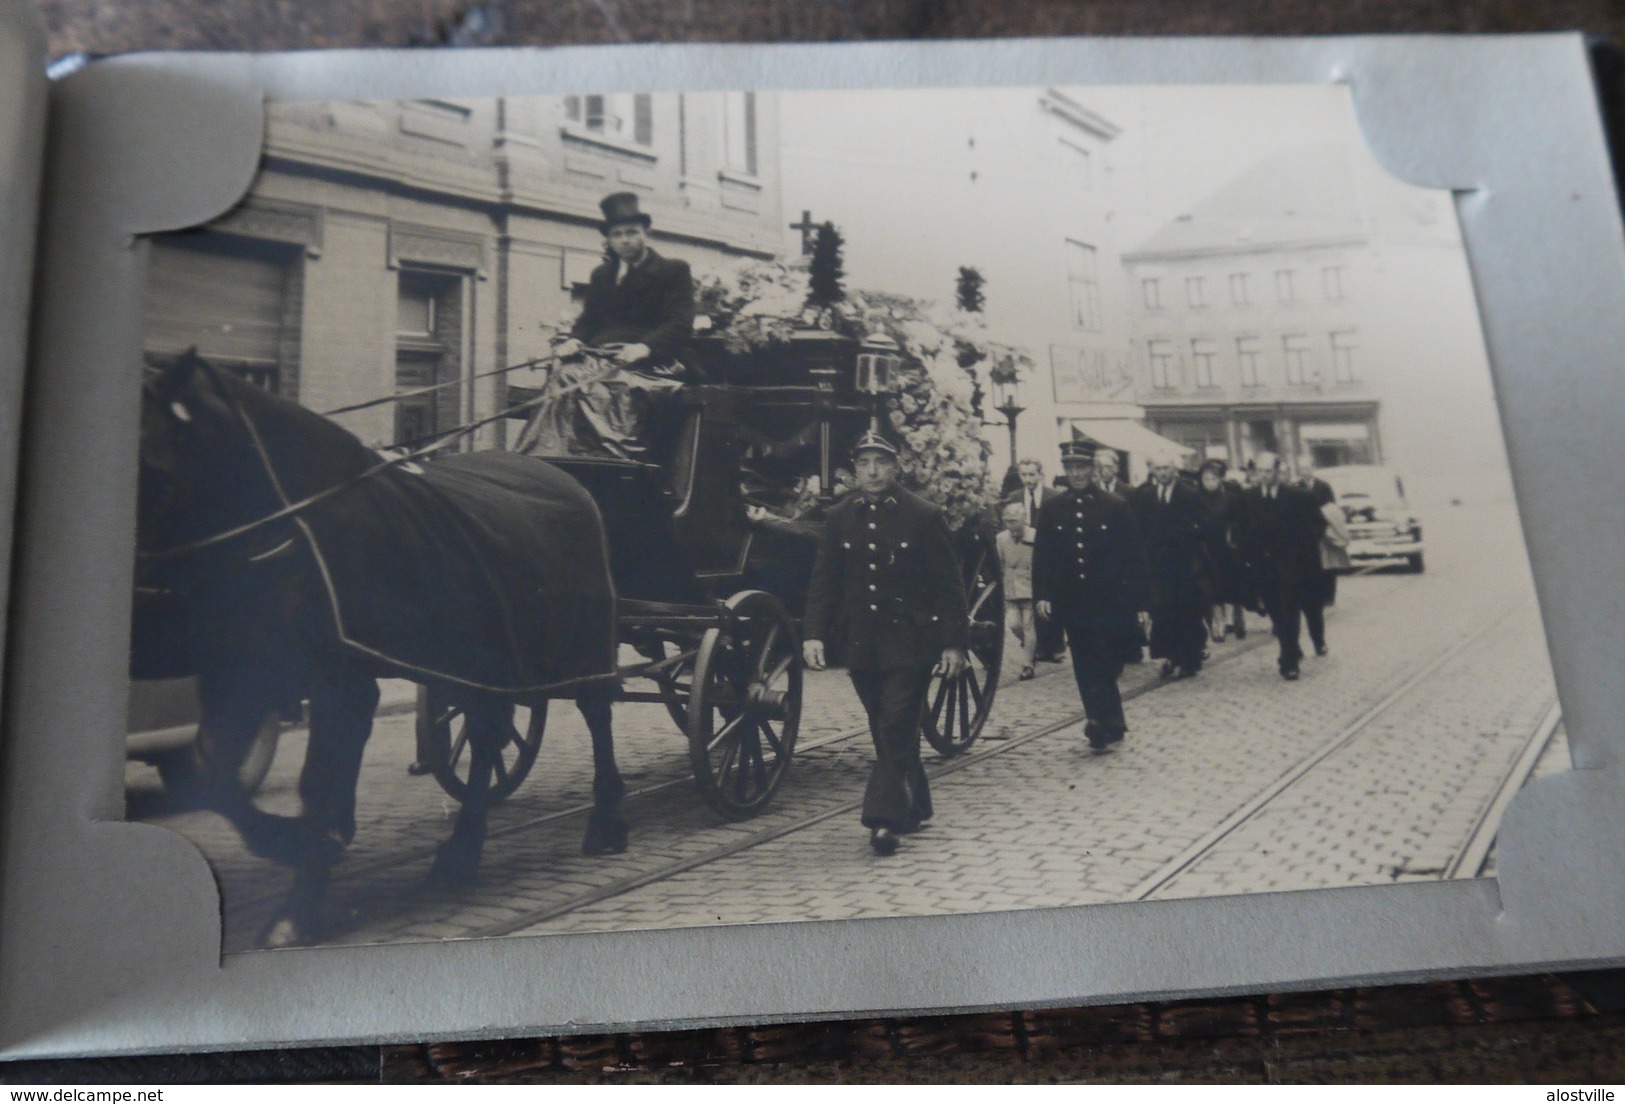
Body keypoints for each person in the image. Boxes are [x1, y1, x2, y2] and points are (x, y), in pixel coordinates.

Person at [803, 432, 970, 856]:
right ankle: (915, 805)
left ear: (896, 468)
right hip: (861, 644)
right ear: (854, 469)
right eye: (864, 463)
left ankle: (884, 820)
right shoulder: (840, 517)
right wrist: (813, 634)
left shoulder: (924, 515)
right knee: (885, 724)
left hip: (911, 643)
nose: (873, 471)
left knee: (895, 722)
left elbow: (950, 587)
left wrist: (953, 644)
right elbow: (824, 582)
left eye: (881, 462)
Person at [514, 192, 695, 461]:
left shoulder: (672, 271)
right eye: (617, 234)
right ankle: (544, 454)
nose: (625, 240)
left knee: (589, 382)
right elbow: (589, 321)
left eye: (632, 232)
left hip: (651, 361)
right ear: (609, 239)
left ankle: (608, 458)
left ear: (646, 233)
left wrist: (645, 348)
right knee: (564, 375)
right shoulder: (602, 275)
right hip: (601, 355)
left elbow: (679, 322)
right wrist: (574, 340)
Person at [1033, 440, 1153, 752]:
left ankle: (1109, 719)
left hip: (1112, 600)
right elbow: (1044, 556)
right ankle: (1100, 722)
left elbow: (1134, 556)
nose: (1076, 474)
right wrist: (1043, 595)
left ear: (1093, 469)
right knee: (1085, 662)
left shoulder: (1115, 506)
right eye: (1070, 468)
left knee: (1107, 660)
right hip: (1073, 601)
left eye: (1082, 467)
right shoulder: (1052, 509)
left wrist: (1141, 603)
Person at [1235, 451, 1329, 680]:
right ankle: (1291, 647)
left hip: (1292, 568)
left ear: (1277, 472)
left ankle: (1288, 661)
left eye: (1268, 471)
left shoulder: (1298, 496)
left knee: (1289, 612)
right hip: (1262, 568)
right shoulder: (1248, 498)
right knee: (1275, 613)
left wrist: (1302, 550)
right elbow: (1240, 528)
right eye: (1259, 471)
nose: (1263, 476)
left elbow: (1318, 525)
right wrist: (1247, 551)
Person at [1131, 458, 1209, 679]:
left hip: (1184, 565)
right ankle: (1170, 655)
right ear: (1152, 471)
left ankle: (1189, 659)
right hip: (1157, 565)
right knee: (1163, 611)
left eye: (1166, 467)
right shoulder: (1145, 496)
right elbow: (1139, 526)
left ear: (1174, 470)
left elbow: (1203, 523)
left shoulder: (1188, 494)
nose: (1162, 472)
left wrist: (1188, 537)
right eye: (1158, 468)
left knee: (1185, 611)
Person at [1012, 458, 1065, 662]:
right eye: (1024, 475)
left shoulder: (1053, 497)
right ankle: (1039, 645)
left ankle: (1056, 644)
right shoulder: (1015, 497)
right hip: (1026, 554)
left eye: (1032, 474)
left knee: (1051, 596)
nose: (1028, 479)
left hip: (1050, 552)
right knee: (1030, 599)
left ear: (1040, 475)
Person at [1194, 458, 1250, 642]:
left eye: (1213, 479)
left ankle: (1238, 614)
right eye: (1206, 479)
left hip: (1228, 548)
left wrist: (1233, 535)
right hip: (1206, 548)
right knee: (1211, 588)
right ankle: (1218, 623)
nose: (1209, 483)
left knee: (1232, 584)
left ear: (1220, 480)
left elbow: (1240, 520)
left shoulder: (1231, 497)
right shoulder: (1196, 498)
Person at [996, 500, 1038, 680]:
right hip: (1011, 588)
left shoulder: (1035, 536)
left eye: (1014, 520)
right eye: (1007, 521)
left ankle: (1027, 664)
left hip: (1030, 586)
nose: (1011, 525)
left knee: (1029, 625)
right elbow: (999, 563)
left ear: (1024, 518)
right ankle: (1031, 647)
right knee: (1013, 624)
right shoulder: (1001, 538)